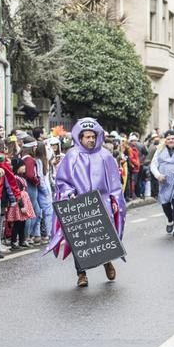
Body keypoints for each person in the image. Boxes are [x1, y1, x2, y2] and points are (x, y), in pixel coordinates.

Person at [46, 118, 127, 288]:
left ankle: (107, 262)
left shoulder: (105, 156)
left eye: (93, 136)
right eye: (87, 137)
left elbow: (114, 181)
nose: (91, 139)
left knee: (103, 236)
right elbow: (62, 181)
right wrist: (69, 194)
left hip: (102, 202)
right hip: (79, 204)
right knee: (78, 239)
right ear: (80, 138)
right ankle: (81, 274)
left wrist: (114, 199)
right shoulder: (72, 156)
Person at [6, 158, 35, 250]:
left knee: (23, 222)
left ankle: (22, 240)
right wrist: (22, 206)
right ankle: (14, 241)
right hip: (19, 203)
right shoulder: (16, 178)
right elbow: (17, 193)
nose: (24, 167)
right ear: (18, 167)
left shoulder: (22, 177)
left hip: (24, 201)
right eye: (22, 165)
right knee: (17, 223)